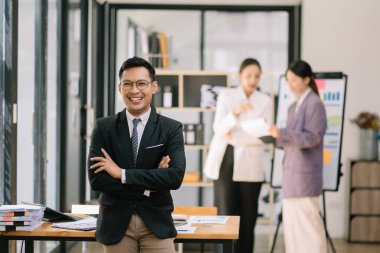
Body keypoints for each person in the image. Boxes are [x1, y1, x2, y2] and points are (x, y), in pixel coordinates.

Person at [88, 56, 186, 253]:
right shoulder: (103, 127)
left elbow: (175, 177)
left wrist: (121, 174)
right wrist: (151, 185)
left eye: (141, 84)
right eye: (128, 84)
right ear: (119, 88)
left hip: (156, 223)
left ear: (154, 87)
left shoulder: (171, 128)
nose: (134, 91)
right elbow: (97, 180)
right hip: (116, 225)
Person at [204, 58, 273, 253]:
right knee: (225, 215)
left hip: (251, 164)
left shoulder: (265, 101)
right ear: (240, 76)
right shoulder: (227, 96)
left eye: (257, 76)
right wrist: (235, 114)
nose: (253, 80)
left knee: (248, 218)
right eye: (248, 75)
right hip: (225, 160)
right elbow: (218, 128)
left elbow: (265, 136)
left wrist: (234, 135)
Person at [268, 60, 327, 253]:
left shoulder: (314, 104)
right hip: (291, 176)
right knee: (293, 231)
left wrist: (282, 134)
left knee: (309, 230)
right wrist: (273, 138)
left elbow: (313, 138)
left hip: (305, 178)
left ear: (307, 79)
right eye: (288, 80)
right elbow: (291, 139)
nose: (290, 84)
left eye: (294, 80)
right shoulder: (293, 106)